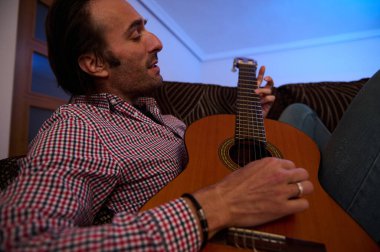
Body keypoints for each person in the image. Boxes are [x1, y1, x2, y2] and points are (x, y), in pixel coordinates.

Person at [0, 0, 313, 251]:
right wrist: (215, 207)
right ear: (96, 64)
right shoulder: (79, 126)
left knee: (297, 114)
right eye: (135, 35)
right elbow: (23, 241)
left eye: (145, 28)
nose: (157, 42)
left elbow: (217, 167)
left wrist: (254, 117)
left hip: (285, 214)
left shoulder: (171, 121)